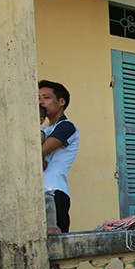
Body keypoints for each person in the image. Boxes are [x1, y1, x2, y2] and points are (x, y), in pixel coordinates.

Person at [38, 80, 80, 232]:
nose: (41, 102)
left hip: (54, 191)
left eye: (46, 97)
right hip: (41, 191)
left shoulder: (66, 126)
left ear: (61, 102)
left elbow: (39, 152)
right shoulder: (44, 128)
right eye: (39, 98)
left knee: (57, 241)